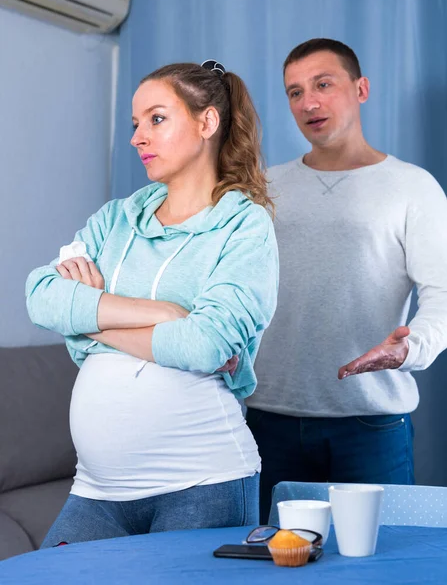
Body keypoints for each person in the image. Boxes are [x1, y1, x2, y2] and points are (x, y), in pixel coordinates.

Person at [26, 60, 278, 545]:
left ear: (207, 123)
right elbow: (41, 297)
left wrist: (88, 318)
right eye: (136, 124)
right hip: (97, 490)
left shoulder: (245, 226)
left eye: (157, 119)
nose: (138, 137)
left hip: (203, 485)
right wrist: (162, 314)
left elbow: (205, 345)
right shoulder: (116, 219)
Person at [245, 38, 447, 522]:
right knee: (272, 567)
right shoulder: (263, 188)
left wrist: (411, 347)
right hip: (266, 420)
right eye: (294, 92)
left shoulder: (412, 187)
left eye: (323, 84)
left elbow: (443, 294)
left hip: (372, 424)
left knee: (381, 567)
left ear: (361, 89)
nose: (308, 102)